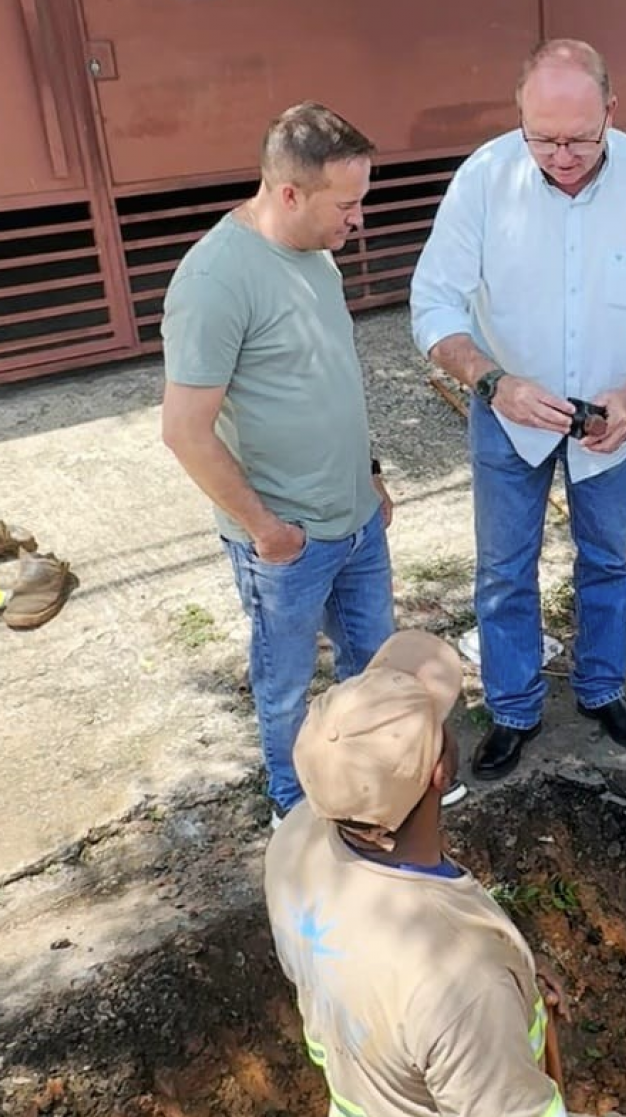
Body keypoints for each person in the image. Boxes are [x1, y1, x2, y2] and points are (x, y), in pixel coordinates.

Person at [410, 40, 626, 782]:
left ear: (612, 112)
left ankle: (602, 688)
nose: (563, 157)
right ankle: (513, 707)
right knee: (504, 569)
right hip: (507, 414)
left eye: (580, 139)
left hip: (612, 417)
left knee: (606, 560)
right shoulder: (484, 180)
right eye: (543, 139)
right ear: (519, 117)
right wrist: (491, 381)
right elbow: (434, 303)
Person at [162, 103, 465, 821]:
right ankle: (294, 804)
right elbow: (184, 432)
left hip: (355, 521)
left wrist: (371, 473)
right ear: (290, 193)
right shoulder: (213, 281)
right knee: (286, 685)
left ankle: (379, 788)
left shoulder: (317, 252)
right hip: (287, 542)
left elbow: (333, 376)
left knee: (375, 667)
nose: (358, 219)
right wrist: (267, 531)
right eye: (347, 204)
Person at [264, 628, 626, 1117]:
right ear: (441, 773)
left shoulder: (295, 840)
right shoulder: (465, 987)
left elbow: (352, 989)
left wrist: (514, 971)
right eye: (440, 722)